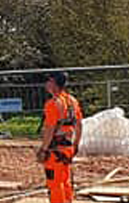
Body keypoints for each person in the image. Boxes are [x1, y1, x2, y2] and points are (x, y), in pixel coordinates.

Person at [38, 71, 82, 203]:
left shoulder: (52, 104)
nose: (46, 84)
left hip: (54, 150)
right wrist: (75, 144)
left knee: (54, 183)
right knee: (66, 181)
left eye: (48, 81)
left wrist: (43, 149)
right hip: (67, 148)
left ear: (53, 83)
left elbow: (50, 129)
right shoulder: (72, 101)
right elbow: (79, 125)